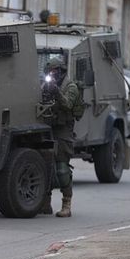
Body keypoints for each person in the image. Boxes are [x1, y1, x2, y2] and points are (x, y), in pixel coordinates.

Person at [40, 57, 81, 217]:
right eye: (50, 72)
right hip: (48, 127)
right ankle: (45, 203)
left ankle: (67, 204)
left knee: (62, 169)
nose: (52, 74)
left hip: (63, 130)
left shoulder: (70, 87)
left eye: (55, 71)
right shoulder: (46, 85)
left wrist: (56, 91)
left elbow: (67, 105)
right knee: (46, 167)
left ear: (61, 71)